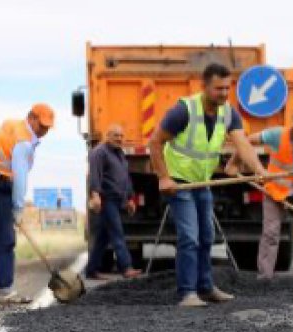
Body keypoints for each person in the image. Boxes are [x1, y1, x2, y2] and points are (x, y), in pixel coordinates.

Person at [148, 62, 269, 307]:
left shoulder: (228, 113)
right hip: (180, 182)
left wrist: (258, 168)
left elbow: (242, 143)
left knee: (207, 236)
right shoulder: (183, 111)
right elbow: (155, 142)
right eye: (218, 89)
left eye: (227, 89)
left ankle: (205, 287)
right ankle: (187, 293)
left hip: (202, 182)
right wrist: (163, 177)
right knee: (190, 237)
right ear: (204, 87)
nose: (224, 94)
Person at [0, 103, 53, 302]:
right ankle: (5, 291)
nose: (44, 131)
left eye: (48, 128)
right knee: (5, 240)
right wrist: (17, 208)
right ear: (31, 118)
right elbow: (20, 177)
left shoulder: (13, 125)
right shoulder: (23, 142)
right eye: (42, 125)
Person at [226, 108, 293, 278]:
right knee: (271, 233)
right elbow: (245, 142)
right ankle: (265, 277)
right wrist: (234, 163)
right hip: (274, 191)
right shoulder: (277, 135)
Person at [86, 124, 140, 280]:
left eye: (122, 136)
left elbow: (125, 177)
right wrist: (95, 195)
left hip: (118, 200)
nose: (119, 139)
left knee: (103, 237)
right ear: (107, 136)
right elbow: (95, 176)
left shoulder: (119, 153)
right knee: (117, 233)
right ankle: (126, 267)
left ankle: (92, 269)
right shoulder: (99, 153)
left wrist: (130, 198)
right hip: (106, 199)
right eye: (116, 135)